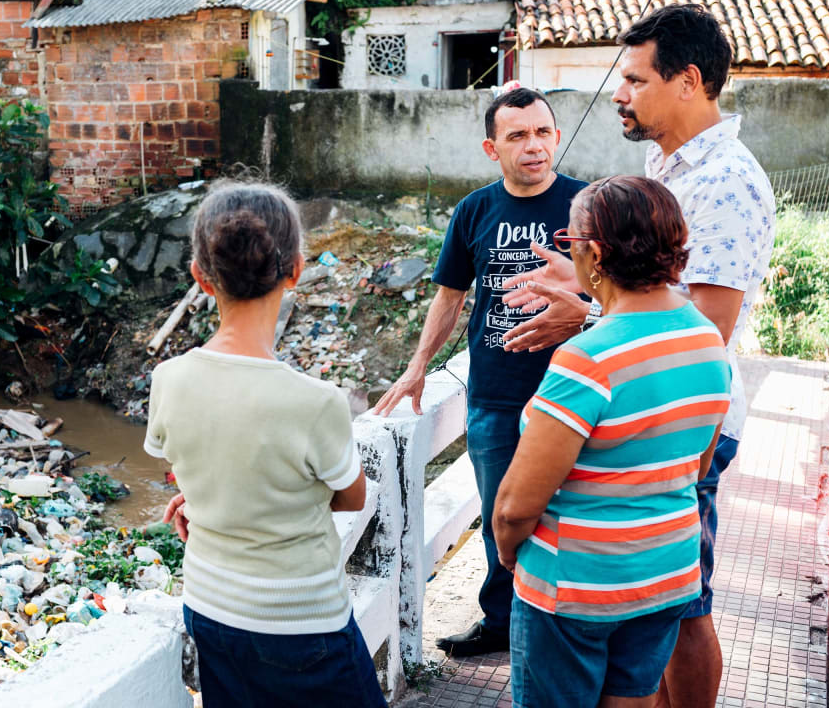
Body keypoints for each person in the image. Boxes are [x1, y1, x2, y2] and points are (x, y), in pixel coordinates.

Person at [501, 6, 776, 706]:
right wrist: (583, 278)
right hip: (647, 402)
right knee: (647, 605)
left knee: (683, 609)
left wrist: (588, 312)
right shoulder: (666, 162)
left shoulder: (727, 183)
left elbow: (704, 330)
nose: (620, 93)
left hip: (682, 413)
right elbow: (659, 287)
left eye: (634, 78)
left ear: (687, 82)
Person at [145, 181, 387, 708]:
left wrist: (219, 499)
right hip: (301, 622)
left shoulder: (168, 378)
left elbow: (197, 464)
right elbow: (352, 498)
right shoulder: (316, 401)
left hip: (210, 608)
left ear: (200, 278)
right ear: (297, 269)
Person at [494, 176, 732, 708]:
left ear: (595, 254)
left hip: (573, 586)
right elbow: (696, 468)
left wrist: (512, 555)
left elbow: (515, 508)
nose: (570, 253)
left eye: (571, 243)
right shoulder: (708, 340)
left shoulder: (588, 359)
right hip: (666, 574)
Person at [370, 86, 588, 657]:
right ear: (493, 149)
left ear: (557, 137)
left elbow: (620, 294)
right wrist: (417, 366)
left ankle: (563, 625)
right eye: (517, 136)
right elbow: (449, 297)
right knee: (500, 521)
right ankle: (502, 622)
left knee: (570, 514)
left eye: (542, 132)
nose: (533, 146)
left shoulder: (588, 207)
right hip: (494, 395)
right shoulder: (474, 210)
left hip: (575, 391)